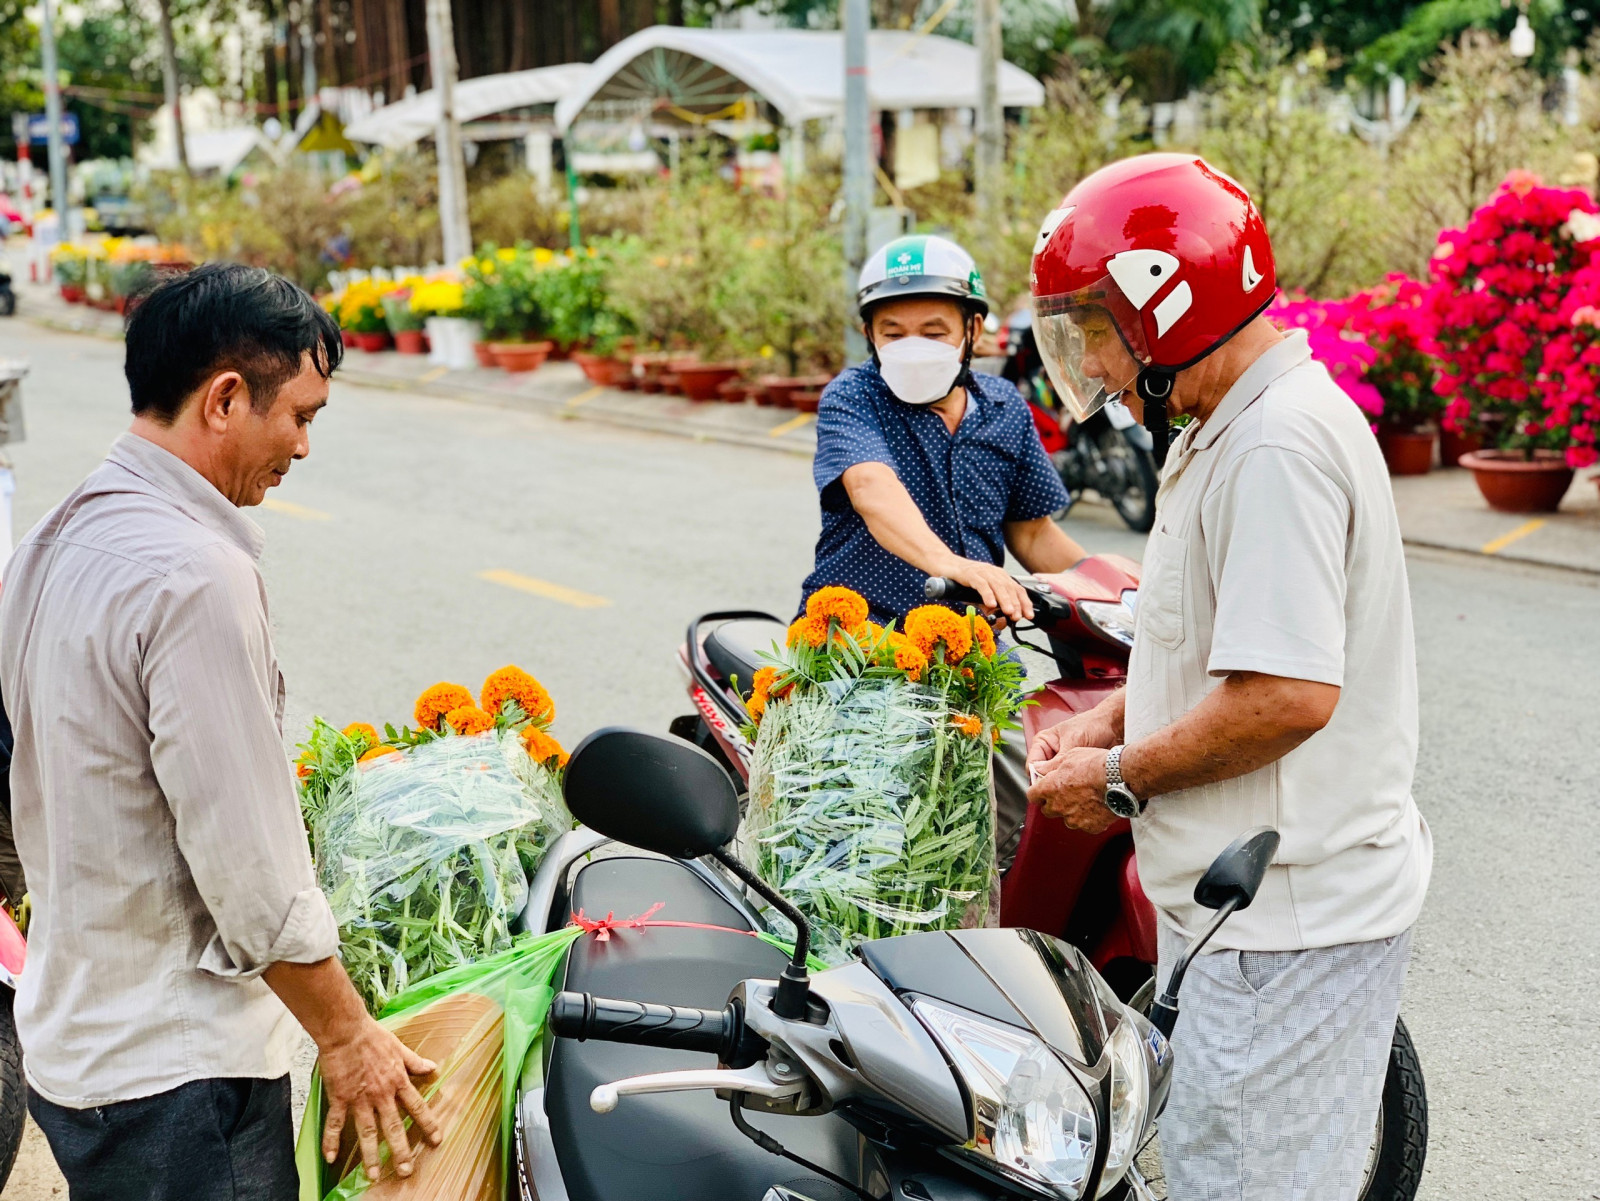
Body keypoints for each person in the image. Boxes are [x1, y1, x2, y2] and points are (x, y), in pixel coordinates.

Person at [1025, 154, 1432, 1200]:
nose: (1096, 366)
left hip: (1281, 924)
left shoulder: (1272, 448)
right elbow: (1199, 638)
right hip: (1249, 914)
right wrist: (1107, 716)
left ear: (1165, 302)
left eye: (1097, 329)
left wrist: (1115, 774)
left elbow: (1285, 696)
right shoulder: (1226, 424)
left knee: (1242, 1184)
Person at [0, 263, 441, 1200]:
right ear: (227, 399)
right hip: (178, 1075)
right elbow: (249, 869)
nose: (304, 447)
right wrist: (347, 1034)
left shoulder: (51, 538)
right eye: (302, 415)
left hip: (80, 1049)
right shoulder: (194, 574)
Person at [801, 233, 1087, 868]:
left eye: (933, 329)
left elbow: (1034, 535)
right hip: (860, 643)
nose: (913, 345)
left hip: (976, 646)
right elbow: (871, 488)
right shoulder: (854, 398)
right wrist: (952, 564)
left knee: (1030, 794)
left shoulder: (1005, 408)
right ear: (870, 336)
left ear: (973, 330)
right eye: (893, 330)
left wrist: (1115, 590)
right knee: (853, 830)